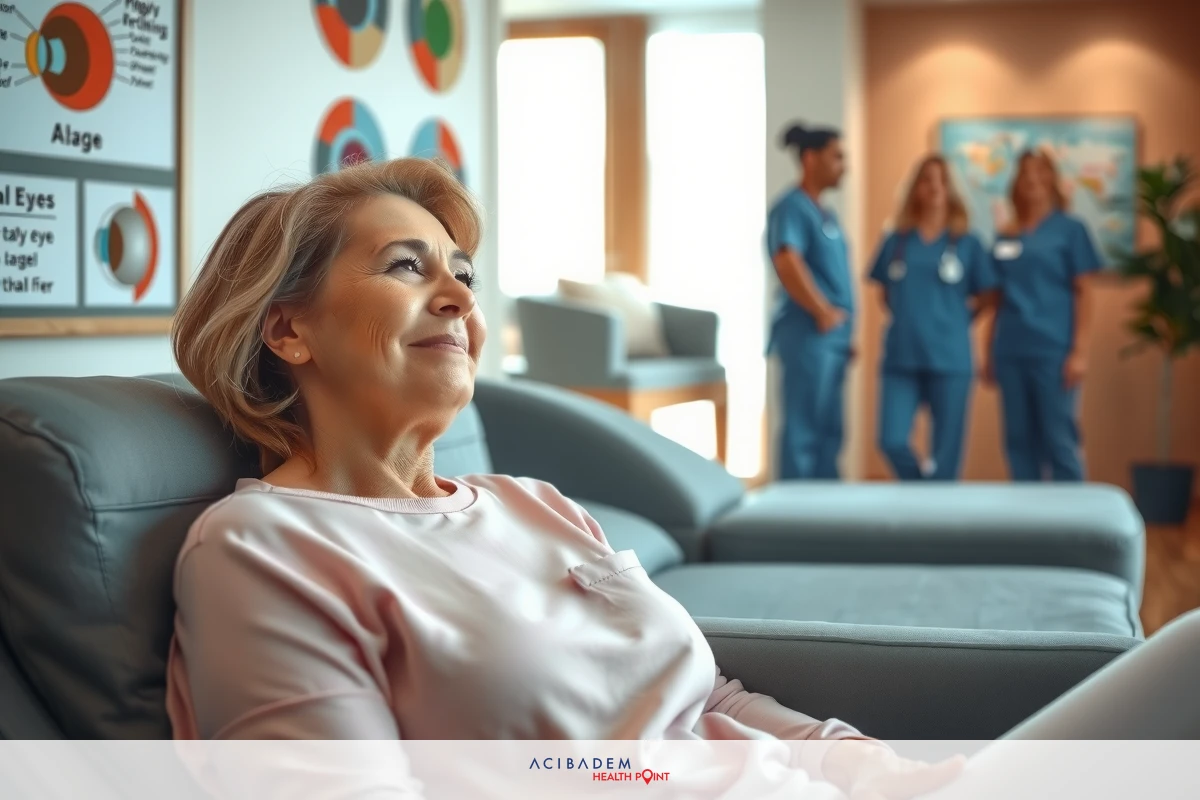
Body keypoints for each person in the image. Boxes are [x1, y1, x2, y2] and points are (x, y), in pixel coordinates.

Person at [165, 157, 960, 795]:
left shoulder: (532, 504)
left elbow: (705, 699)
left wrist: (890, 772)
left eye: (465, 276)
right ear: (288, 329)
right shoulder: (262, 549)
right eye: (408, 268)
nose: (457, 298)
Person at [868, 155, 997, 481]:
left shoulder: (968, 243)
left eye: (942, 180)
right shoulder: (896, 241)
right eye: (927, 179)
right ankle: (923, 490)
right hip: (902, 356)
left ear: (951, 189)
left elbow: (988, 294)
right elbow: (884, 291)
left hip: (950, 357)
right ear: (916, 189)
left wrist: (956, 319)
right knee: (891, 440)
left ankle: (938, 517)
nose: (935, 186)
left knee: (946, 455)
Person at [981, 149, 1101, 482]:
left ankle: (1074, 524)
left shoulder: (1071, 230)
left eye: (1040, 172)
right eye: (1025, 173)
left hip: (1054, 350)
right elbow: (996, 299)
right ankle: (1030, 524)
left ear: (1052, 179)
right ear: (1016, 184)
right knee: (1018, 440)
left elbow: (1085, 293)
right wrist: (987, 350)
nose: (1032, 179)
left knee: (1058, 437)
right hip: (1010, 350)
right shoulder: (1007, 235)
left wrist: (1080, 351)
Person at [767, 122, 854, 480]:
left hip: (832, 341)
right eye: (837, 157)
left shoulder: (826, 214)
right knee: (804, 429)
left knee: (829, 432)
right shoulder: (791, 207)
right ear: (810, 158)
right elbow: (787, 260)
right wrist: (821, 311)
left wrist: (847, 334)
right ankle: (792, 512)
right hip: (808, 336)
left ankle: (824, 511)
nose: (843, 165)